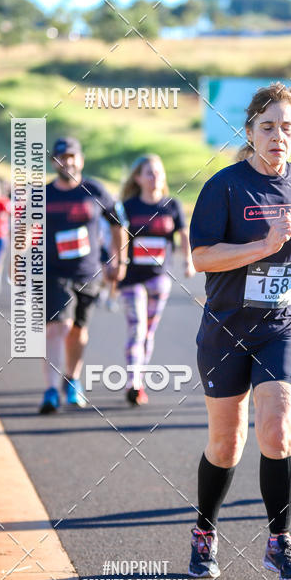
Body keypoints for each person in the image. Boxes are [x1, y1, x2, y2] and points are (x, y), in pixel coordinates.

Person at [187, 82, 291, 580]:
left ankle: (279, 541)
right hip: (226, 330)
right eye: (267, 127)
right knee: (226, 444)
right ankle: (204, 531)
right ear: (250, 132)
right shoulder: (224, 186)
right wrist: (263, 247)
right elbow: (202, 258)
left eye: (286, 127)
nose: (277, 136)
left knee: (277, 427)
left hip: (280, 326)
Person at [40, 137, 126, 414]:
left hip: (88, 273)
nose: (67, 162)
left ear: (81, 160)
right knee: (58, 327)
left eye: (72, 156)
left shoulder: (95, 190)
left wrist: (119, 259)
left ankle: (72, 379)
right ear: (54, 162)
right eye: (61, 157)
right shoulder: (44, 194)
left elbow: (118, 224)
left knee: (78, 330)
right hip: (54, 272)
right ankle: (51, 390)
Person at [119, 154, 193, 405]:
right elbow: (117, 236)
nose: (155, 177)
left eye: (159, 172)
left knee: (148, 333)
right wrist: (113, 265)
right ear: (138, 178)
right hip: (132, 277)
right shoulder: (128, 206)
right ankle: (133, 382)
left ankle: (138, 380)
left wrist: (188, 261)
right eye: (149, 173)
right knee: (137, 328)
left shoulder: (171, 205)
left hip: (159, 278)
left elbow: (183, 233)